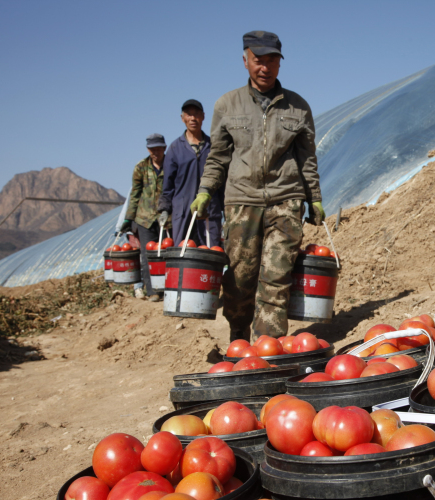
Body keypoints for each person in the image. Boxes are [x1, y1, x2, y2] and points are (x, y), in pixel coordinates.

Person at [190, 31, 325, 341]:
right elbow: (218, 156)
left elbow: (307, 159)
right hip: (241, 200)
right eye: (258, 61)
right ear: (245, 61)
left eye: (271, 60)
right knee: (240, 278)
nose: (264, 67)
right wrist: (205, 190)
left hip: (285, 198)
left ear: (280, 62)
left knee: (277, 277)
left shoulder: (298, 107)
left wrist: (314, 198)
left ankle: (268, 346)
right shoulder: (227, 104)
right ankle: (238, 336)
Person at [158, 100, 223, 246]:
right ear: (183, 118)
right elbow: (168, 185)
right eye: (189, 115)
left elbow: (223, 181)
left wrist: (226, 208)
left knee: (211, 251)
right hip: (182, 211)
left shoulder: (214, 146)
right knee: (183, 251)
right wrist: (164, 209)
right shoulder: (175, 148)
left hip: (209, 209)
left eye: (197, 114)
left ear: (203, 117)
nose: (193, 118)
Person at [121, 133, 172, 301]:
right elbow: (135, 194)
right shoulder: (141, 167)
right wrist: (129, 218)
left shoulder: (171, 165)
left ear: (164, 148)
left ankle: (167, 288)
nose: (155, 152)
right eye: (152, 149)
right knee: (147, 254)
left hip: (166, 218)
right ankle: (153, 291)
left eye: (158, 149)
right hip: (145, 218)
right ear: (148, 150)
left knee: (166, 252)